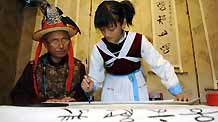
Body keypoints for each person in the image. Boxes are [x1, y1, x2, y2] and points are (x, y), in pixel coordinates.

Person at [81, 0, 191, 102]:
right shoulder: (99, 49)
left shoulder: (139, 41)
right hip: (111, 94)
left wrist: (178, 92)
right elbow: (95, 79)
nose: (107, 34)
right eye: (102, 30)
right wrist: (90, 87)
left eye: (111, 28)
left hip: (137, 90)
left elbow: (160, 65)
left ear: (123, 23)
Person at [10, 5, 88, 105]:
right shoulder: (33, 67)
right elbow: (17, 96)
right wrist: (44, 101)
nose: (61, 45)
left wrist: (73, 101)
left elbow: (84, 98)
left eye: (64, 40)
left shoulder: (78, 67)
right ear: (46, 44)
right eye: (55, 41)